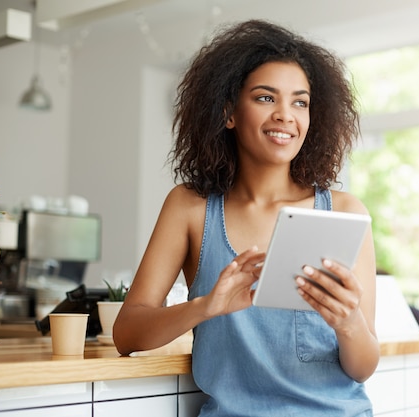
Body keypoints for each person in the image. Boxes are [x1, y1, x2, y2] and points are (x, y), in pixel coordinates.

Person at [113, 19, 379, 416]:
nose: (286, 115)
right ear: (228, 113)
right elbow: (126, 333)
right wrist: (205, 307)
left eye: (300, 102)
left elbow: (363, 367)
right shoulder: (190, 207)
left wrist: (348, 322)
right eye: (265, 98)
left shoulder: (344, 211)